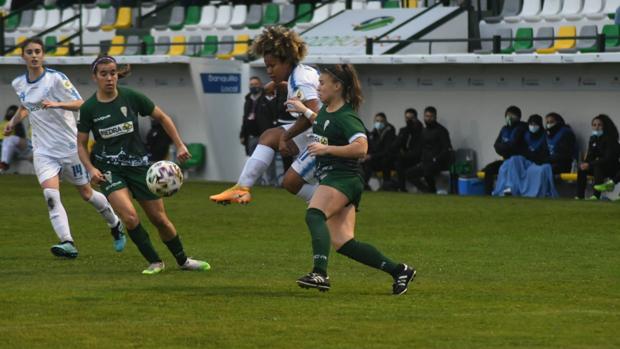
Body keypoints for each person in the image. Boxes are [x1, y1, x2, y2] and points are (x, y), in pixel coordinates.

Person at [285, 64, 415, 295]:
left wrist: (327, 150)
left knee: (314, 214)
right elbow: (322, 122)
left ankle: (320, 273)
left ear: (338, 86)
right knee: (344, 243)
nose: (318, 86)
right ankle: (400, 271)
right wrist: (303, 110)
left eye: (323, 83)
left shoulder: (347, 116)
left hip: (342, 177)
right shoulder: (328, 111)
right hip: (344, 180)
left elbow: (361, 148)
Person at [77, 55, 210, 274]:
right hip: (109, 170)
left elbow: (163, 117)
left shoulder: (131, 97)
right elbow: (81, 145)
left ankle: (183, 260)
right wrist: (91, 169)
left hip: (140, 167)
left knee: (160, 219)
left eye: (112, 73)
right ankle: (155, 261)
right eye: (104, 74)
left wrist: (180, 145)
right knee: (129, 217)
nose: (109, 78)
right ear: (95, 77)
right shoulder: (89, 108)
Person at [4, 38, 125, 258]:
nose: (34, 55)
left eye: (37, 51)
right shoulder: (18, 83)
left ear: (43, 55)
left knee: (87, 194)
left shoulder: (56, 79)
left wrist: (57, 104)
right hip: (43, 150)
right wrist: (13, 122)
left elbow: (81, 103)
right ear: (22, 56)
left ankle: (115, 223)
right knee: (51, 195)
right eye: (29, 52)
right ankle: (67, 242)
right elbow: (26, 105)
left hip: (70, 147)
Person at [210, 26, 321, 205]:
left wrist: (287, 135)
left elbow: (314, 113)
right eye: (266, 66)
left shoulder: (300, 80)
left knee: (290, 182)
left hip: (327, 139)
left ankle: (333, 200)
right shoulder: (297, 76)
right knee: (269, 137)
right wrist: (280, 86)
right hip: (318, 133)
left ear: (287, 61)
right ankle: (242, 188)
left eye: (272, 66)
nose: (268, 71)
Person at [492, 114, 558, 198]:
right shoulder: (526, 135)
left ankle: (524, 190)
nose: (533, 126)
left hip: (538, 162)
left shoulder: (544, 136)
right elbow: (521, 151)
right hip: (526, 161)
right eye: (531, 124)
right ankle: (510, 187)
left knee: (538, 170)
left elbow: (544, 153)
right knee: (513, 160)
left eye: (535, 124)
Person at [406, 106, 453, 193]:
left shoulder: (441, 131)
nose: (428, 118)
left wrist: (436, 159)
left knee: (427, 171)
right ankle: (425, 189)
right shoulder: (424, 131)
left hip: (438, 162)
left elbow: (447, 149)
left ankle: (432, 190)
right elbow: (422, 148)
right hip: (425, 162)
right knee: (408, 174)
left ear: (435, 117)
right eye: (426, 116)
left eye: (431, 116)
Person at [482, 106, 527, 195]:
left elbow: (513, 145)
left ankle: (511, 191)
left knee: (509, 168)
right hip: (506, 160)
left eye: (512, 115)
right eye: (507, 115)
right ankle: (487, 194)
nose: (509, 118)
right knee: (489, 169)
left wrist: (504, 147)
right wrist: (505, 148)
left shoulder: (522, 128)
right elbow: (496, 145)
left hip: (517, 162)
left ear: (518, 117)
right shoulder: (504, 129)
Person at [576, 115, 620, 200]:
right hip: (599, 166)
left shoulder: (610, 140)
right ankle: (579, 196)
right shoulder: (593, 138)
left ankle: (596, 195)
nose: (596, 127)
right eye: (594, 125)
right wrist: (585, 164)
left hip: (612, 167)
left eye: (599, 125)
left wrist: (590, 164)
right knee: (582, 169)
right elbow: (590, 156)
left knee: (597, 166)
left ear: (604, 126)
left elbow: (608, 158)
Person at [362, 112, 396, 190]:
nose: (379, 123)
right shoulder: (374, 133)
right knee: (364, 162)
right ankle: (364, 184)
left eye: (381, 121)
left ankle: (386, 184)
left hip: (386, 160)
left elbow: (387, 151)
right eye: (377, 121)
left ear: (385, 122)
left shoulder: (389, 132)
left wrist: (371, 156)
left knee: (383, 161)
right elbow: (371, 148)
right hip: (375, 159)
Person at [393, 108, 423, 192]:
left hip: (418, 158)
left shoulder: (421, 130)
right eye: (407, 118)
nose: (408, 121)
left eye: (411, 118)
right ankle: (400, 187)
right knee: (395, 161)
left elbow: (418, 149)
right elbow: (396, 145)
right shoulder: (404, 130)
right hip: (406, 157)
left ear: (415, 118)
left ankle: (425, 189)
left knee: (403, 166)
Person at [0, 105, 30, 173]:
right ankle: (3, 164)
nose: (10, 113)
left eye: (12, 112)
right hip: (4, 146)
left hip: (15, 149)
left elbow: (22, 139)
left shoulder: (17, 124)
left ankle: (4, 164)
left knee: (8, 139)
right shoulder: (3, 122)